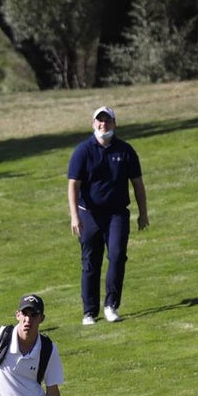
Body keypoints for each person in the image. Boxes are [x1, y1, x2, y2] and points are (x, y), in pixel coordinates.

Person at [67, 105, 149, 325]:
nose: (104, 124)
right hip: (89, 215)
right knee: (90, 262)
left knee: (117, 256)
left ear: (114, 123)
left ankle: (111, 305)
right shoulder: (83, 151)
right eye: (99, 121)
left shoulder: (125, 151)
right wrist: (74, 216)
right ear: (94, 124)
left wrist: (143, 213)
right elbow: (73, 185)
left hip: (116, 215)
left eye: (108, 120)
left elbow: (138, 184)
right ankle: (89, 312)